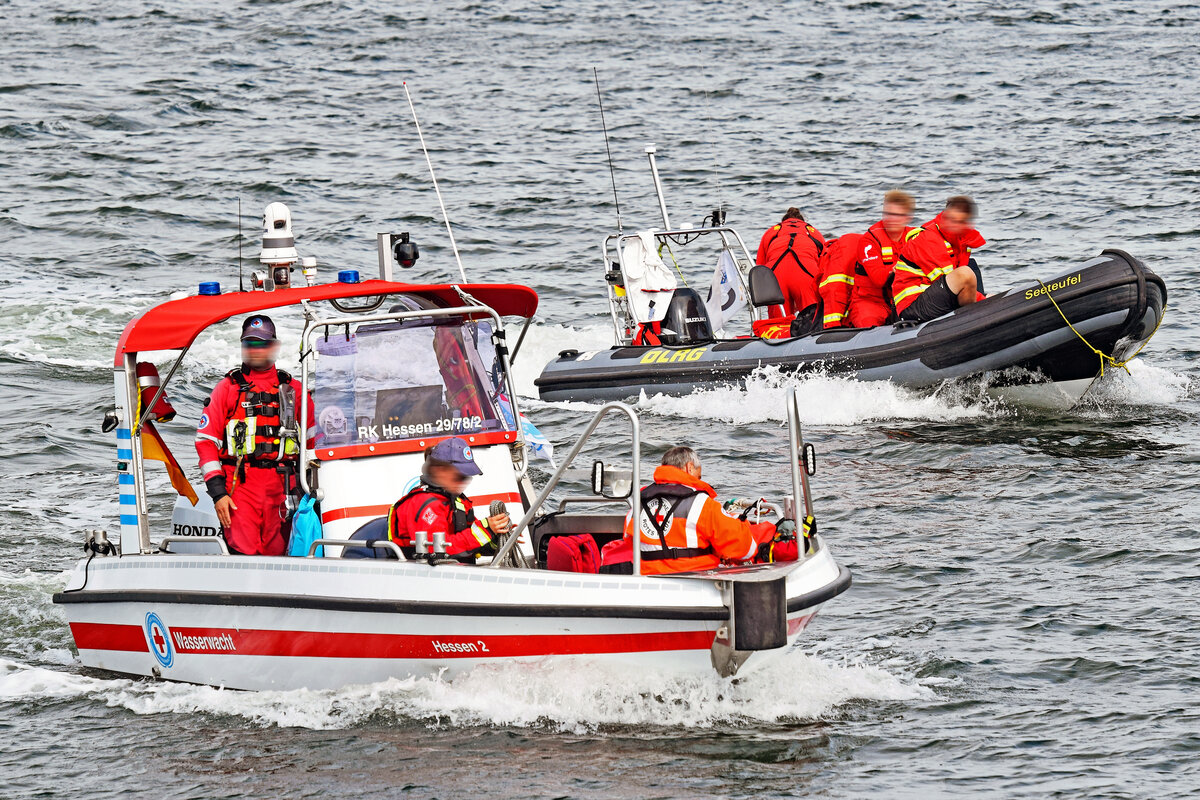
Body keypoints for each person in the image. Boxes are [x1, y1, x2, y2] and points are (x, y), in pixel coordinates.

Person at [195, 315, 314, 556]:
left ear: (274, 346)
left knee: (281, 555)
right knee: (243, 553)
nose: (255, 349)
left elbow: (316, 441)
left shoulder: (295, 391)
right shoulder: (226, 389)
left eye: (261, 344)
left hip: (284, 489)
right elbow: (206, 443)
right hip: (240, 489)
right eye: (249, 344)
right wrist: (219, 494)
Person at [606, 446, 790, 575]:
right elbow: (745, 549)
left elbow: (628, 541)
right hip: (696, 581)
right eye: (699, 475)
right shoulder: (702, 504)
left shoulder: (638, 501)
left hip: (650, 581)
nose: (702, 480)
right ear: (689, 468)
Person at [386, 437, 512, 559]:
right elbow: (437, 550)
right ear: (440, 471)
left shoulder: (457, 502)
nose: (463, 483)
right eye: (459, 477)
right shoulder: (424, 504)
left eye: (466, 477)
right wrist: (487, 529)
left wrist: (498, 536)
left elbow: (472, 543)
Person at [892, 195, 987, 322]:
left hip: (932, 296)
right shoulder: (929, 239)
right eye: (950, 219)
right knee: (965, 274)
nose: (952, 225)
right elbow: (949, 279)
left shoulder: (960, 241)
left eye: (960, 222)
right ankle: (972, 321)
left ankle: (973, 318)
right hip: (912, 306)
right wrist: (984, 302)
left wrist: (986, 300)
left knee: (969, 270)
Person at [849, 190, 916, 328]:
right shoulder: (869, 240)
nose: (890, 219)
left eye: (896, 215)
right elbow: (878, 278)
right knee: (867, 323)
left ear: (907, 217)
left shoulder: (915, 237)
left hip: (904, 299)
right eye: (887, 214)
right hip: (871, 302)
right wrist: (899, 269)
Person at [755, 208, 827, 317]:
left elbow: (760, 268)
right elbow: (824, 267)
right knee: (812, 319)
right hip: (806, 272)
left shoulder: (771, 232)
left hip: (776, 275)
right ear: (803, 221)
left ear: (784, 221)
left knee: (778, 323)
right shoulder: (814, 232)